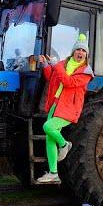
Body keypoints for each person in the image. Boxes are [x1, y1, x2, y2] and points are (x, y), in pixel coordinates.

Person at [36, 33, 94, 183]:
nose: (80, 53)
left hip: (69, 107)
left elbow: (68, 82)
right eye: (78, 50)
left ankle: (64, 144)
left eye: (83, 51)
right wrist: (46, 65)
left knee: (48, 127)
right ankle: (53, 173)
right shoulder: (63, 64)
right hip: (56, 104)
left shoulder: (85, 72)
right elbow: (53, 78)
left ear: (86, 55)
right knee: (50, 137)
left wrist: (56, 65)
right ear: (73, 51)